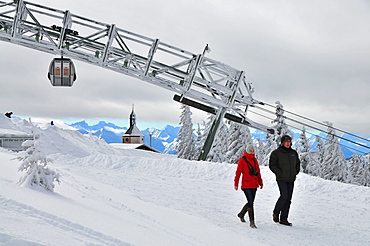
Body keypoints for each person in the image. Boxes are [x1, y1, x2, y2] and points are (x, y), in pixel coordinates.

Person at [269, 135, 300, 226]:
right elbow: (272, 165)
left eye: (289, 142)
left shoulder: (293, 153)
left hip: (291, 178)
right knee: (284, 196)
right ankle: (276, 213)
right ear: (282, 142)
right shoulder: (276, 153)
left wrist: (295, 172)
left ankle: (284, 219)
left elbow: (297, 163)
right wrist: (279, 173)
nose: (288, 143)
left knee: (288, 199)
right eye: (286, 142)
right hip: (281, 178)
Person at [234, 143, 263, 228]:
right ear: (247, 151)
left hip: (254, 184)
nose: (252, 152)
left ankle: (241, 214)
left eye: (253, 151)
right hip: (246, 185)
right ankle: (252, 222)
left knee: (251, 202)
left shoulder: (255, 160)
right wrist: (236, 183)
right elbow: (238, 172)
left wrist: (260, 182)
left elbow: (258, 172)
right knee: (250, 202)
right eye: (250, 150)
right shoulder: (242, 160)